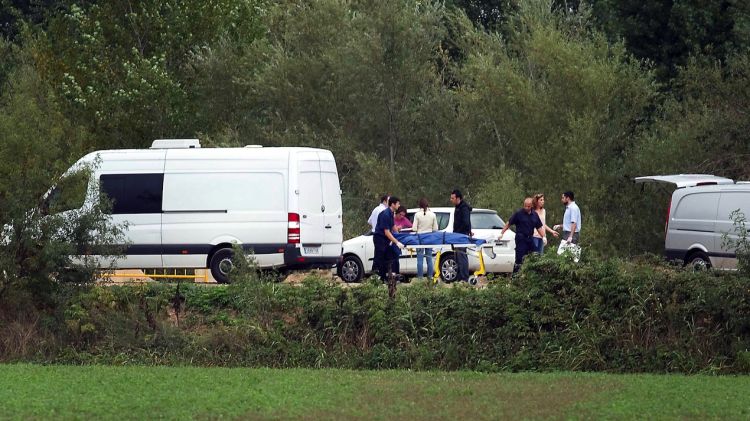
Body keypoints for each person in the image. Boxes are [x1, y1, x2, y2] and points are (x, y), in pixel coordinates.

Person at [501, 198, 545, 273]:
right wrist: (502, 233)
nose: (526, 208)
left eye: (528, 206)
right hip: (521, 239)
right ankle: (515, 278)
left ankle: (531, 276)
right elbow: (509, 223)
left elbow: (539, 227)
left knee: (535, 256)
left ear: (531, 206)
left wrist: (543, 237)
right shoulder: (519, 213)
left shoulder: (534, 214)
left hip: (530, 239)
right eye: (525, 206)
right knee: (519, 259)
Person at [373, 196, 405, 280]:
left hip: (385, 239)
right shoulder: (385, 214)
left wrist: (398, 235)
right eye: (398, 204)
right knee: (380, 260)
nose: (399, 205)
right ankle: (380, 279)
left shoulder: (391, 213)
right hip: (380, 239)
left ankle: (387, 278)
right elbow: (386, 232)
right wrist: (396, 242)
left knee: (388, 259)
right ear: (393, 204)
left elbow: (393, 226)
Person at [412, 198, 438, 279]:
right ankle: (430, 277)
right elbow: (435, 229)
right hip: (429, 238)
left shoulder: (417, 215)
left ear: (419, 205)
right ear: (428, 204)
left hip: (420, 238)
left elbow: (414, 229)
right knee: (429, 259)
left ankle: (420, 277)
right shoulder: (433, 215)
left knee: (420, 259)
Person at [450, 189, 472, 282]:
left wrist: (464, 231)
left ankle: (464, 277)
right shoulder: (457, 207)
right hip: (457, 235)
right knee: (457, 256)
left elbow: (466, 222)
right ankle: (459, 277)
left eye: (452, 198)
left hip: (461, 235)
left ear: (458, 198)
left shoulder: (464, 208)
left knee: (462, 255)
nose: (451, 199)